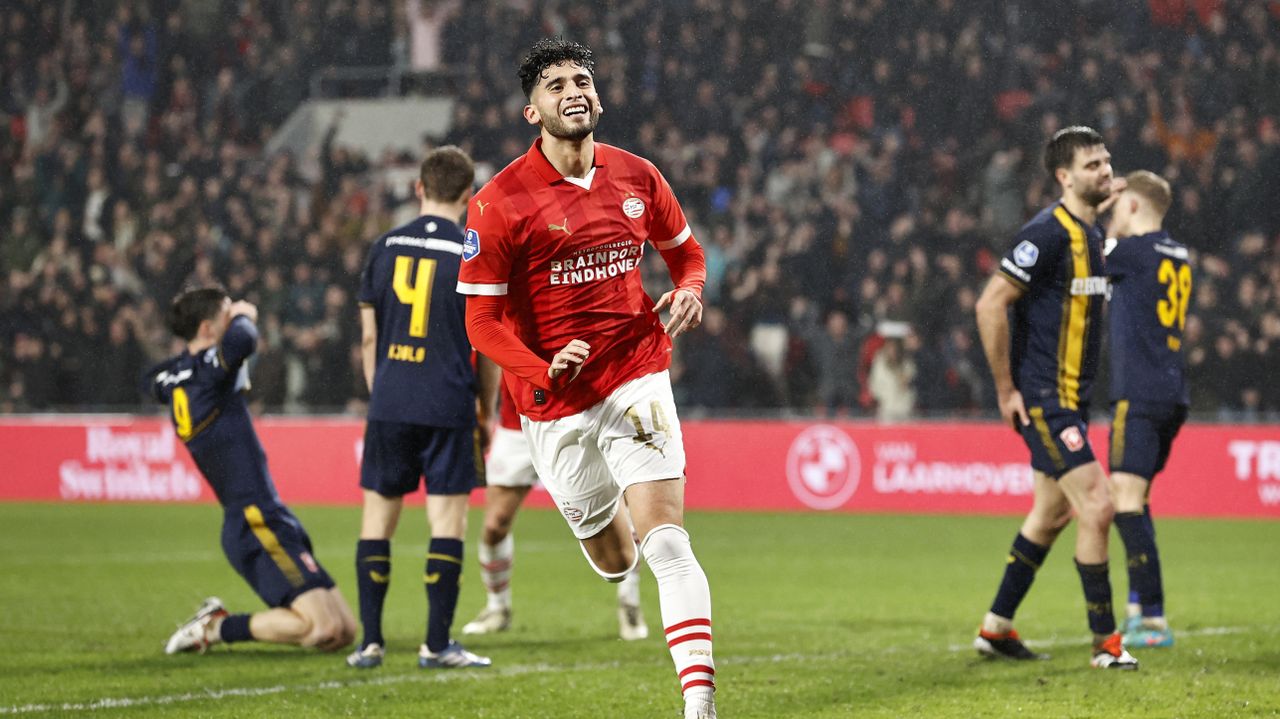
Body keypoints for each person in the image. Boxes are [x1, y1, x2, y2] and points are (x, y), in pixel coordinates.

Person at [457, 38, 717, 719]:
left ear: (597, 96)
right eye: (556, 85)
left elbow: (687, 255)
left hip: (636, 370)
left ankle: (700, 702)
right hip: (553, 405)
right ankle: (616, 526)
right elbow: (481, 324)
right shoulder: (497, 203)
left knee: (667, 540)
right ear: (532, 112)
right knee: (615, 560)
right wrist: (542, 368)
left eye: (582, 80)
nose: (573, 91)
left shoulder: (638, 176)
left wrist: (691, 290)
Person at [972, 126, 1138, 669]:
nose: (1105, 170)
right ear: (1064, 177)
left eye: (1106, 161)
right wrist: (1006, 390)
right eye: (1092, 165)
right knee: (1098, 505)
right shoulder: (1045, 234)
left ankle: (996, 629)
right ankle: (1106, 644)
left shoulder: (1089, 233)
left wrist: (1113, 203)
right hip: (1045, 398)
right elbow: (989, 304)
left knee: (1051, 514)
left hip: (1073, 400)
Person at [345, 146, 499, 670]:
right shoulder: (472, 254)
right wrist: (486, 412)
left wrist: (381, 393)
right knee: (447, 522)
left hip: (390, 400)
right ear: (468, 195)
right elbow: (489, 346)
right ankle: (436, 644)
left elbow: (369, 339)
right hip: (448, 403)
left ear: (418, 188)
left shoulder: (383, 247)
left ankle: (370, 643)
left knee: (377, 519)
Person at [153, 286, 357, 655]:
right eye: (226, 314)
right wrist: (245, 315)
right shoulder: (207, 375)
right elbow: (244, 338)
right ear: (207, 329)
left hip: (269, 513)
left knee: (344, 630)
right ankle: (215, 628)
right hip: (252, 519)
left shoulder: (187, 373)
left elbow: (158, 380)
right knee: (322, 629)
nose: (234, 317)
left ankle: (221, 625)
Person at [460, 380, 649, 640]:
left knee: (619, 511)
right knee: (495, 525)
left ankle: (629, 601)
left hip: (583, 416)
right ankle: (497, 608)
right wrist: (484, 411)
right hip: (519, 424)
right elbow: (487, 363)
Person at [1103, 170, 1189, 649]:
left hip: (1137, 393)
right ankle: (1138, 608)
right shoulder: (1178, 254)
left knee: (1124, 499)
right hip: (1171, 393)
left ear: (1133, 205)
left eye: (1118, 205)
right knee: (1138, 497)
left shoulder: (1132, 253)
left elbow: (1085, 255)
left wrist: (1099, 212)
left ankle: (1153, 619)